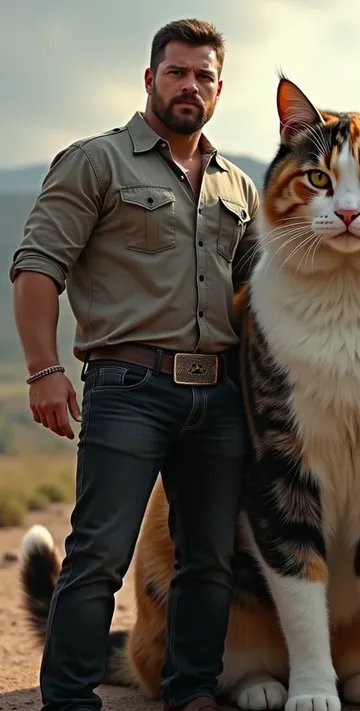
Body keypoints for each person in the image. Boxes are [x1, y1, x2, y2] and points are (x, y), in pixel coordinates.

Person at [9, 18, 260, 711]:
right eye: (177, 72)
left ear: (218, 88)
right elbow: (37, 266)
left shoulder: (239, 187)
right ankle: (67, 697)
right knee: (99, 556)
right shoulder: (96, 161)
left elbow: (259, 296)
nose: (190, 86)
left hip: (219, 398)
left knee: (209, 560)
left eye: (203, 76)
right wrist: (42, 369)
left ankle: (192, 688)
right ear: (150, 79)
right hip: (129, 388)